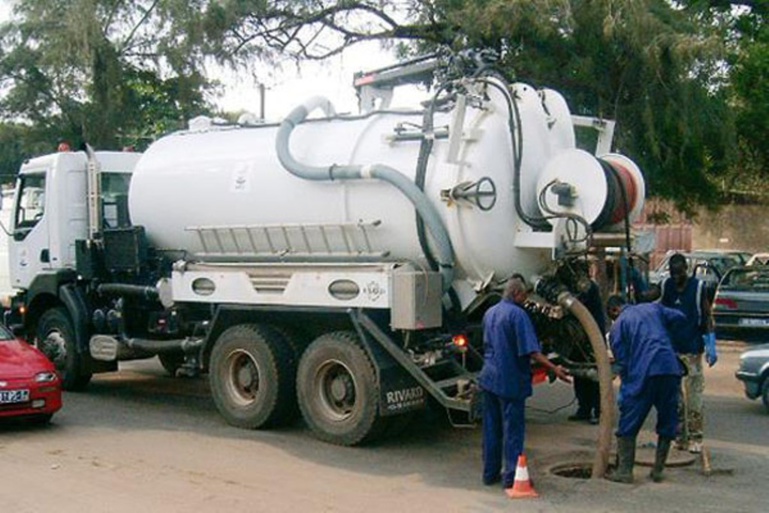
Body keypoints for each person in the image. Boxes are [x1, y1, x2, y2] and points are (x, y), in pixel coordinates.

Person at [479, 276, 570, 495]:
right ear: (517, 294)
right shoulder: (518, 315)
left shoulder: (490, 312)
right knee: (513, 431)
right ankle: (512, 478)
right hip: (509, 380)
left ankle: (489, 474)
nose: (526, 298)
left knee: (491, 429)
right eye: (525, 295)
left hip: (489, 378)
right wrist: (554, 368)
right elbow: (531, 350)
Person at [605, 295, 686, 484]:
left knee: (629, 422)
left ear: (614, 311)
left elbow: (622, 362)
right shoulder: (653, 309)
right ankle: (658, 470)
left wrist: (626, 384)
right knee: (668, 419)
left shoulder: (618, 326)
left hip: (644, 373)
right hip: (670, 368)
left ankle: (625, 471)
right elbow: (680, 317)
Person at [660, 252, 717, 454]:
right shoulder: (667, 287)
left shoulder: (698, 287)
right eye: (672, 274)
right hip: (672, 351)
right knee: (675, 399)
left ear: (685, 269)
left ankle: (696, 437)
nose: (676, 278)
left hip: (692, 350)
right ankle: (680, 436)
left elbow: (707, 315)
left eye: (679, 274)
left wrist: (711, 342)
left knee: (694, 397)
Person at [569, 276, 606, 424]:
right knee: (579, 374)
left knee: (594, 375)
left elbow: (576, 304)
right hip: (579, 336)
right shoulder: (580, 287)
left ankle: (598, 411)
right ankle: (583, 409)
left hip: (592, 336)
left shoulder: (588, 287)